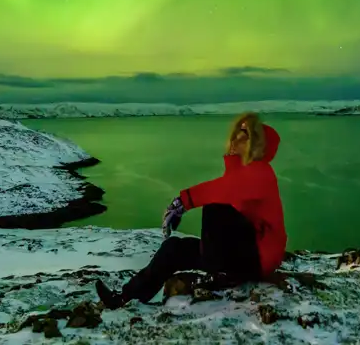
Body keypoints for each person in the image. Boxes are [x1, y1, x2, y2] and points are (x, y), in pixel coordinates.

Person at [95, 112, 287, 309]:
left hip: (259, 260)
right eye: (234, 134)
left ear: (254, 142)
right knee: (173, 248)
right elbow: (227, 189)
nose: (233, 140)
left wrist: (182, 202)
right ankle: (125, 298)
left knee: (216, 209)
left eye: (242, 134)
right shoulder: (241, 173)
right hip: (239, 256)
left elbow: (224, 189)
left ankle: (220, 274)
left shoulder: (262, 172)